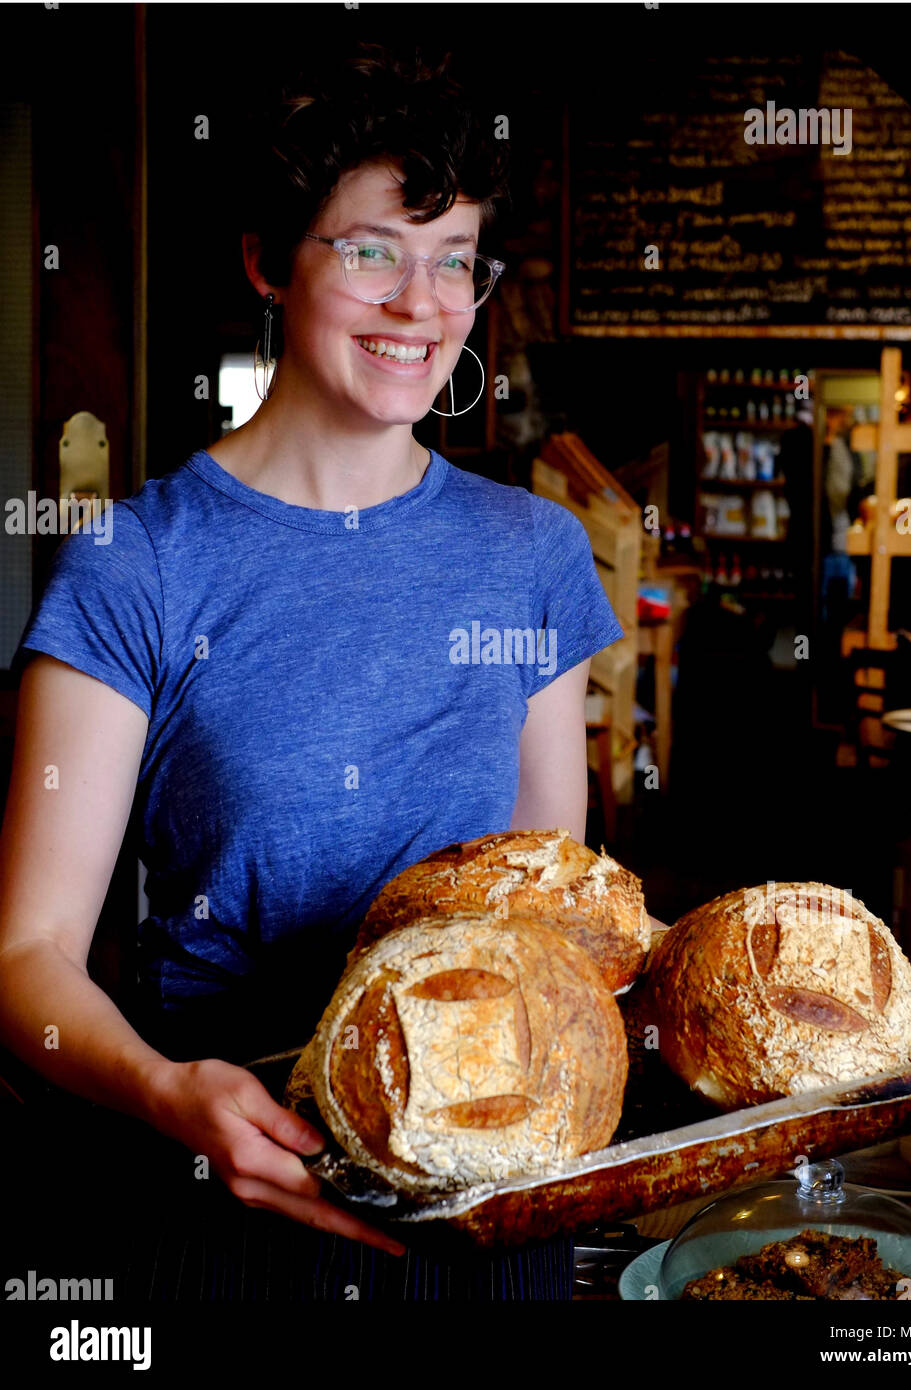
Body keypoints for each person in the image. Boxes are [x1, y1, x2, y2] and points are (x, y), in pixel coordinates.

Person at [0, 44, 629, 1301]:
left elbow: (549, 923)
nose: (423, 303)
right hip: (236, 1191)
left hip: (492, 1202)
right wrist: (170, 1094)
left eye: (454, 258)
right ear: (267, 264)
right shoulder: (139, 566)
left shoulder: (534, 554)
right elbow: (28, 960)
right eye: (371, 250)